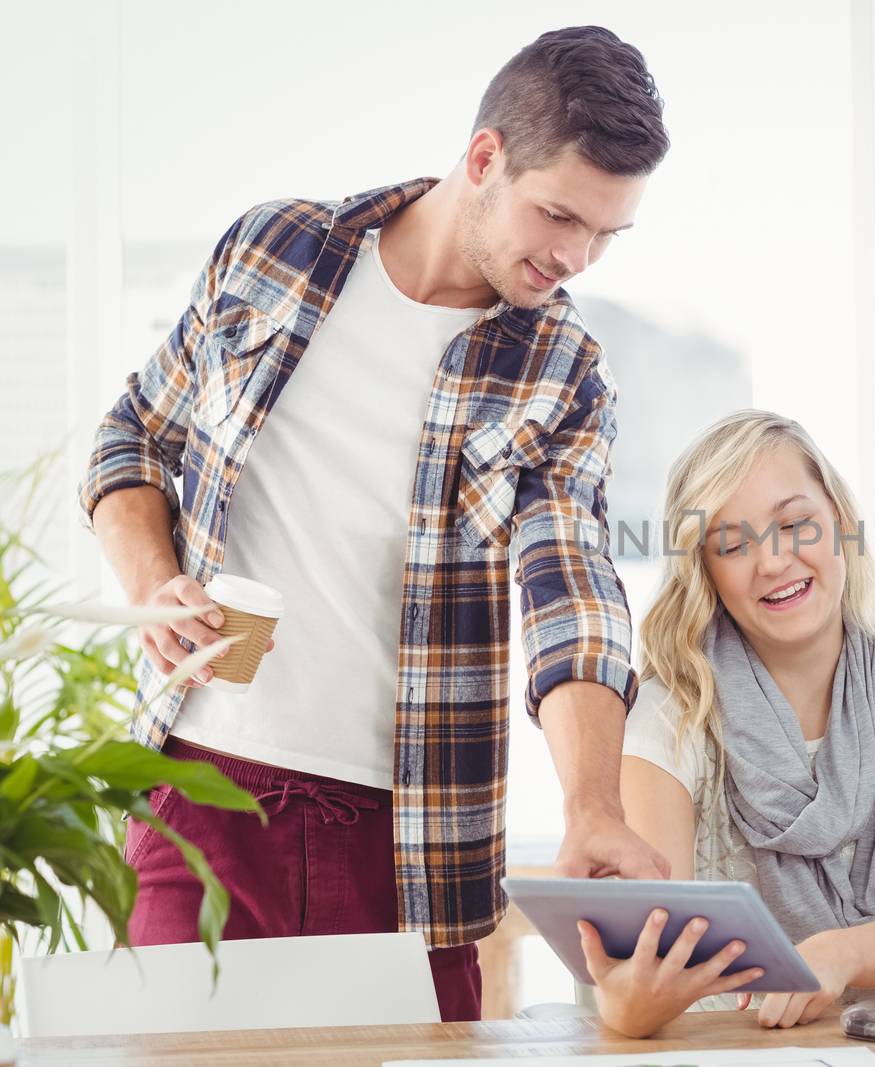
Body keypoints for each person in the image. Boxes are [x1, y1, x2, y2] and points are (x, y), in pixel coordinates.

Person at [78, 26, 671, 1021]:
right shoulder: (273, 251)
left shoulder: (561, 368)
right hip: (199, 785)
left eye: (607, 234)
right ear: (485, 157)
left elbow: (572, 587)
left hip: (407, 837)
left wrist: (594, 807)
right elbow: (133, 435)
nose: (576, 256)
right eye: (561, 214)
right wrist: (149, 581)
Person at [576, 410, 875, 1037]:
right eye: (733, 544)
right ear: (706, 571)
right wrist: (628, 1005)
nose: (772, 561)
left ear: (841, 525)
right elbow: (649, 961)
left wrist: (839, 955)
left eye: (795, 524)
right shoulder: (670, 714)